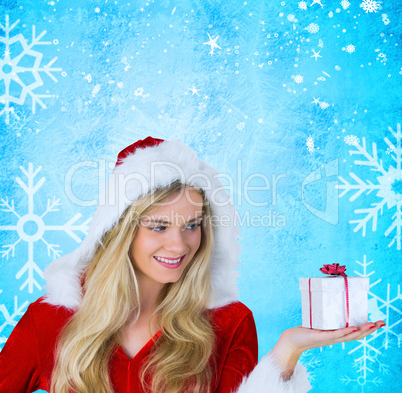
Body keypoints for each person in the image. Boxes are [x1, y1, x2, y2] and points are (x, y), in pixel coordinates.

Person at [0, 136, 384, 393]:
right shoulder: (50, 320)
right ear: (120, 231)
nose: (179, 243)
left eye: (193, 225)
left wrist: (287, 352)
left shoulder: (228, 324)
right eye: (159, 225)